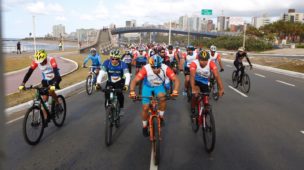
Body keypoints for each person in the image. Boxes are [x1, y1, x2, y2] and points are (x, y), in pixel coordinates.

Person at [129, 55, 180, 137]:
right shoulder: (146, 68)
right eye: (153, 67)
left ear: (161, 65)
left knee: (162, 98)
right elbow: (135, 80)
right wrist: (132, 91)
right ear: (150, 65)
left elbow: (176, 79)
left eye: (158, 67)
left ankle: (161, 116)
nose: (156, 69)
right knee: (145, 107)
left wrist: (175, 90)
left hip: (159, 86)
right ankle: (145, 126)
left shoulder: (165, 68)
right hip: (147, 87)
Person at [18, 49, 62, 123]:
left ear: (45, 58)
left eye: (42, 62)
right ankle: (46, 117)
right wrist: (23, 83)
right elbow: (29, 72)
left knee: (51, 91)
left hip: (55, 78)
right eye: (39, 62)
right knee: (43, 99)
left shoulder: (51, 60)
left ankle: (58, 103)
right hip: (45, 79)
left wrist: (54, 84)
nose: (41, 64)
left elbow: (56, 73)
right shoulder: (36, 62)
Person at [96, 49, 130, 113]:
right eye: (112, 58)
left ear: (119, 59)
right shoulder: (107, 63)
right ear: (110, 58)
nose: (114, 60)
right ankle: (108, 109)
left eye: (116, 59)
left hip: (120, 81)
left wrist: (126, 85)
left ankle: (121, 108)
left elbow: (127, 75)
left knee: (120, 95)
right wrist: (98, 83)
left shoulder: (123, 64)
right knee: (107, 95)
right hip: (110, 81)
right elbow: (101, 73)